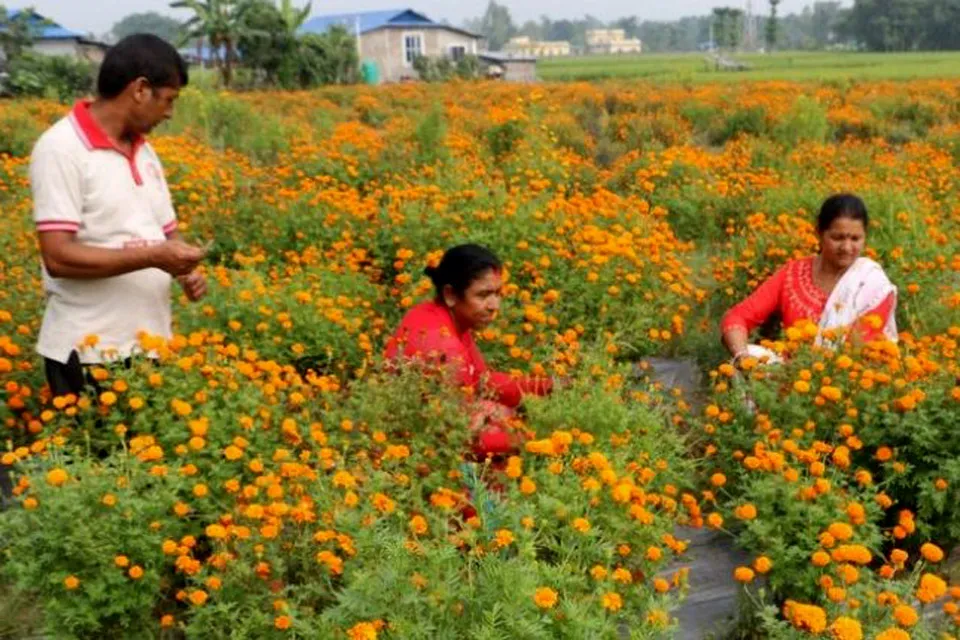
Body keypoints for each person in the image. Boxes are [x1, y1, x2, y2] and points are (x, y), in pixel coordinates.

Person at [30, 34, 208, 399]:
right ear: (141, 89)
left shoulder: (145, 151)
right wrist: (154, 257)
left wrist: (185, 268)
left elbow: (165, 234)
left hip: (149, 348)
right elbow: (58, 256)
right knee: (97, 454)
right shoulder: (62, 149)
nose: (170, 113)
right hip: (90, 354)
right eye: (169, 100)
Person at [384, 244, 553, 458]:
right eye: (483, 295)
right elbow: (458, 437)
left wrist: (545, 387)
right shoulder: (444, 348)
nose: (494, 305)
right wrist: (536, 440)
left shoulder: (446, 317)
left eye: (497, 294)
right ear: (451, 294)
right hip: (418, 454)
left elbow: (483, 381)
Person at [721, 193, 897, 364]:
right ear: (819, 233)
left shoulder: (872, 285)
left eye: (855, 239)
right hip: (787, 377)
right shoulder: (793, 273)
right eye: (837, 238)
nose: (847, 247)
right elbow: (738, 317)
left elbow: (853, 356)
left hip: (844, 381)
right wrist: (743, 358)